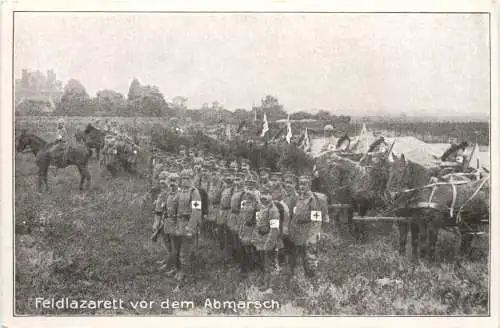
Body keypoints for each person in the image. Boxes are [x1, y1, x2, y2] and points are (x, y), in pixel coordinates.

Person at [286, 175, 329, 285]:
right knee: (297, 256)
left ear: (309, 185)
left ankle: (312, 283)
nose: (302, 186)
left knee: (309, 258)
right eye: (301, 184)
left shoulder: (312, 199)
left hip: (309, 230)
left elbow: (316, 219)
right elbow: (295, 214)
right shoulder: (299, 197)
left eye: (305, 184)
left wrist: (313, 235)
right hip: (298, 231)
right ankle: (296, 279)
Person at [251, 183, 282, 292]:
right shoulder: (261, 208)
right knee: (263, 262)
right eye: (263, 193)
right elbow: (258, 223)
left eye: (267, 194)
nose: (264, 196)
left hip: (268, 240)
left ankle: (269, 285)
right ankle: (265, 281)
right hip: (260, 239)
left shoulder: (273, 210)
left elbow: (274, 230)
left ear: (272, 195)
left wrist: (268, 244)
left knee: (269, 263)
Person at [175, 169, 202, 282]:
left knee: (185, 252)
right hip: (179, 224)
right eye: (183, 178)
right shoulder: (180, 192)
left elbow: (196, 211)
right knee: (179, 249)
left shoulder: (194, 193)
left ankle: (186, 275)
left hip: (188, 224)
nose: (184, 181)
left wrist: (191, 227)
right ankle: (181, 270)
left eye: (187, 179)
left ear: (191, 180)